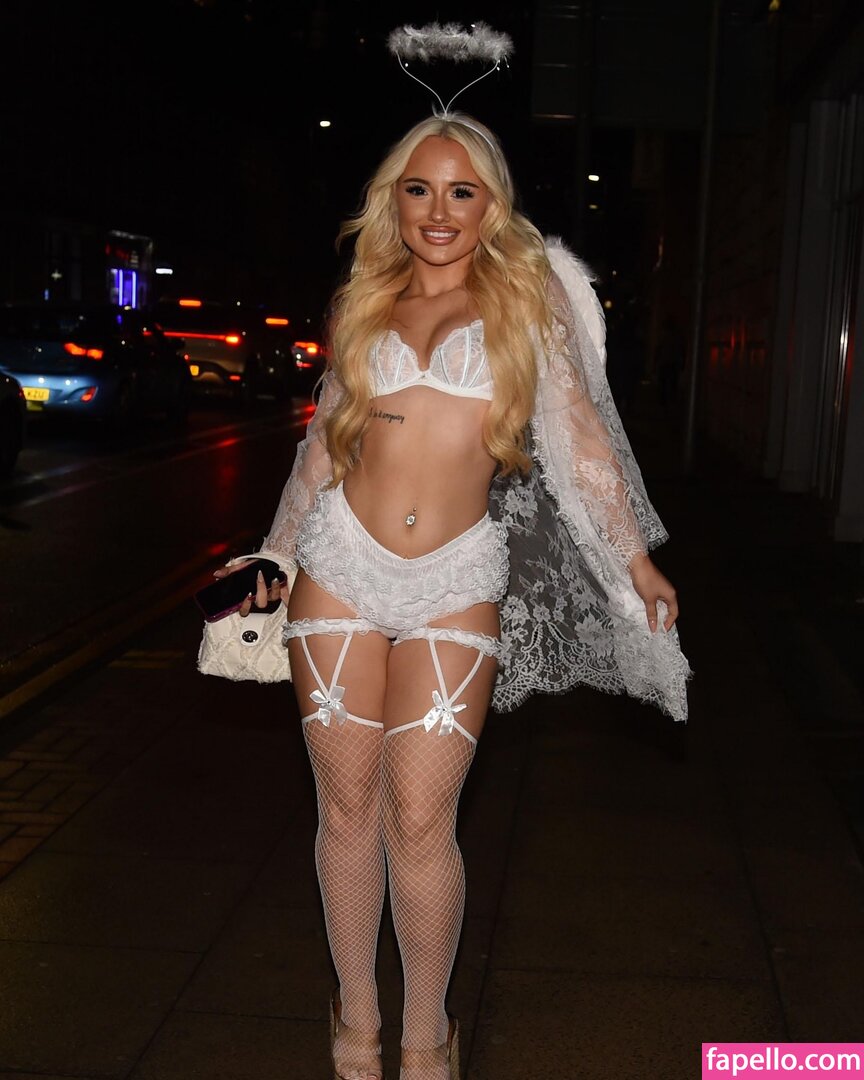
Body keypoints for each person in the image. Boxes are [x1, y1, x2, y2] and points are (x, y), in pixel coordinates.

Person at [217, 112, 687, 1080]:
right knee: (346, 807)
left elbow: (583, 445)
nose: (439, 210)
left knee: (423, 818)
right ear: (394, 201)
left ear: (490, 207)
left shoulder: (523, 305)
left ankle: (426, 1035)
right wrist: (273, 553)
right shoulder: (364, 303)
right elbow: (322, 450)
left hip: (457, 579)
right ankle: (357, 1018)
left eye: (462, 191)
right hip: (339, 568)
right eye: (419, 189)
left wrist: (633, 561)